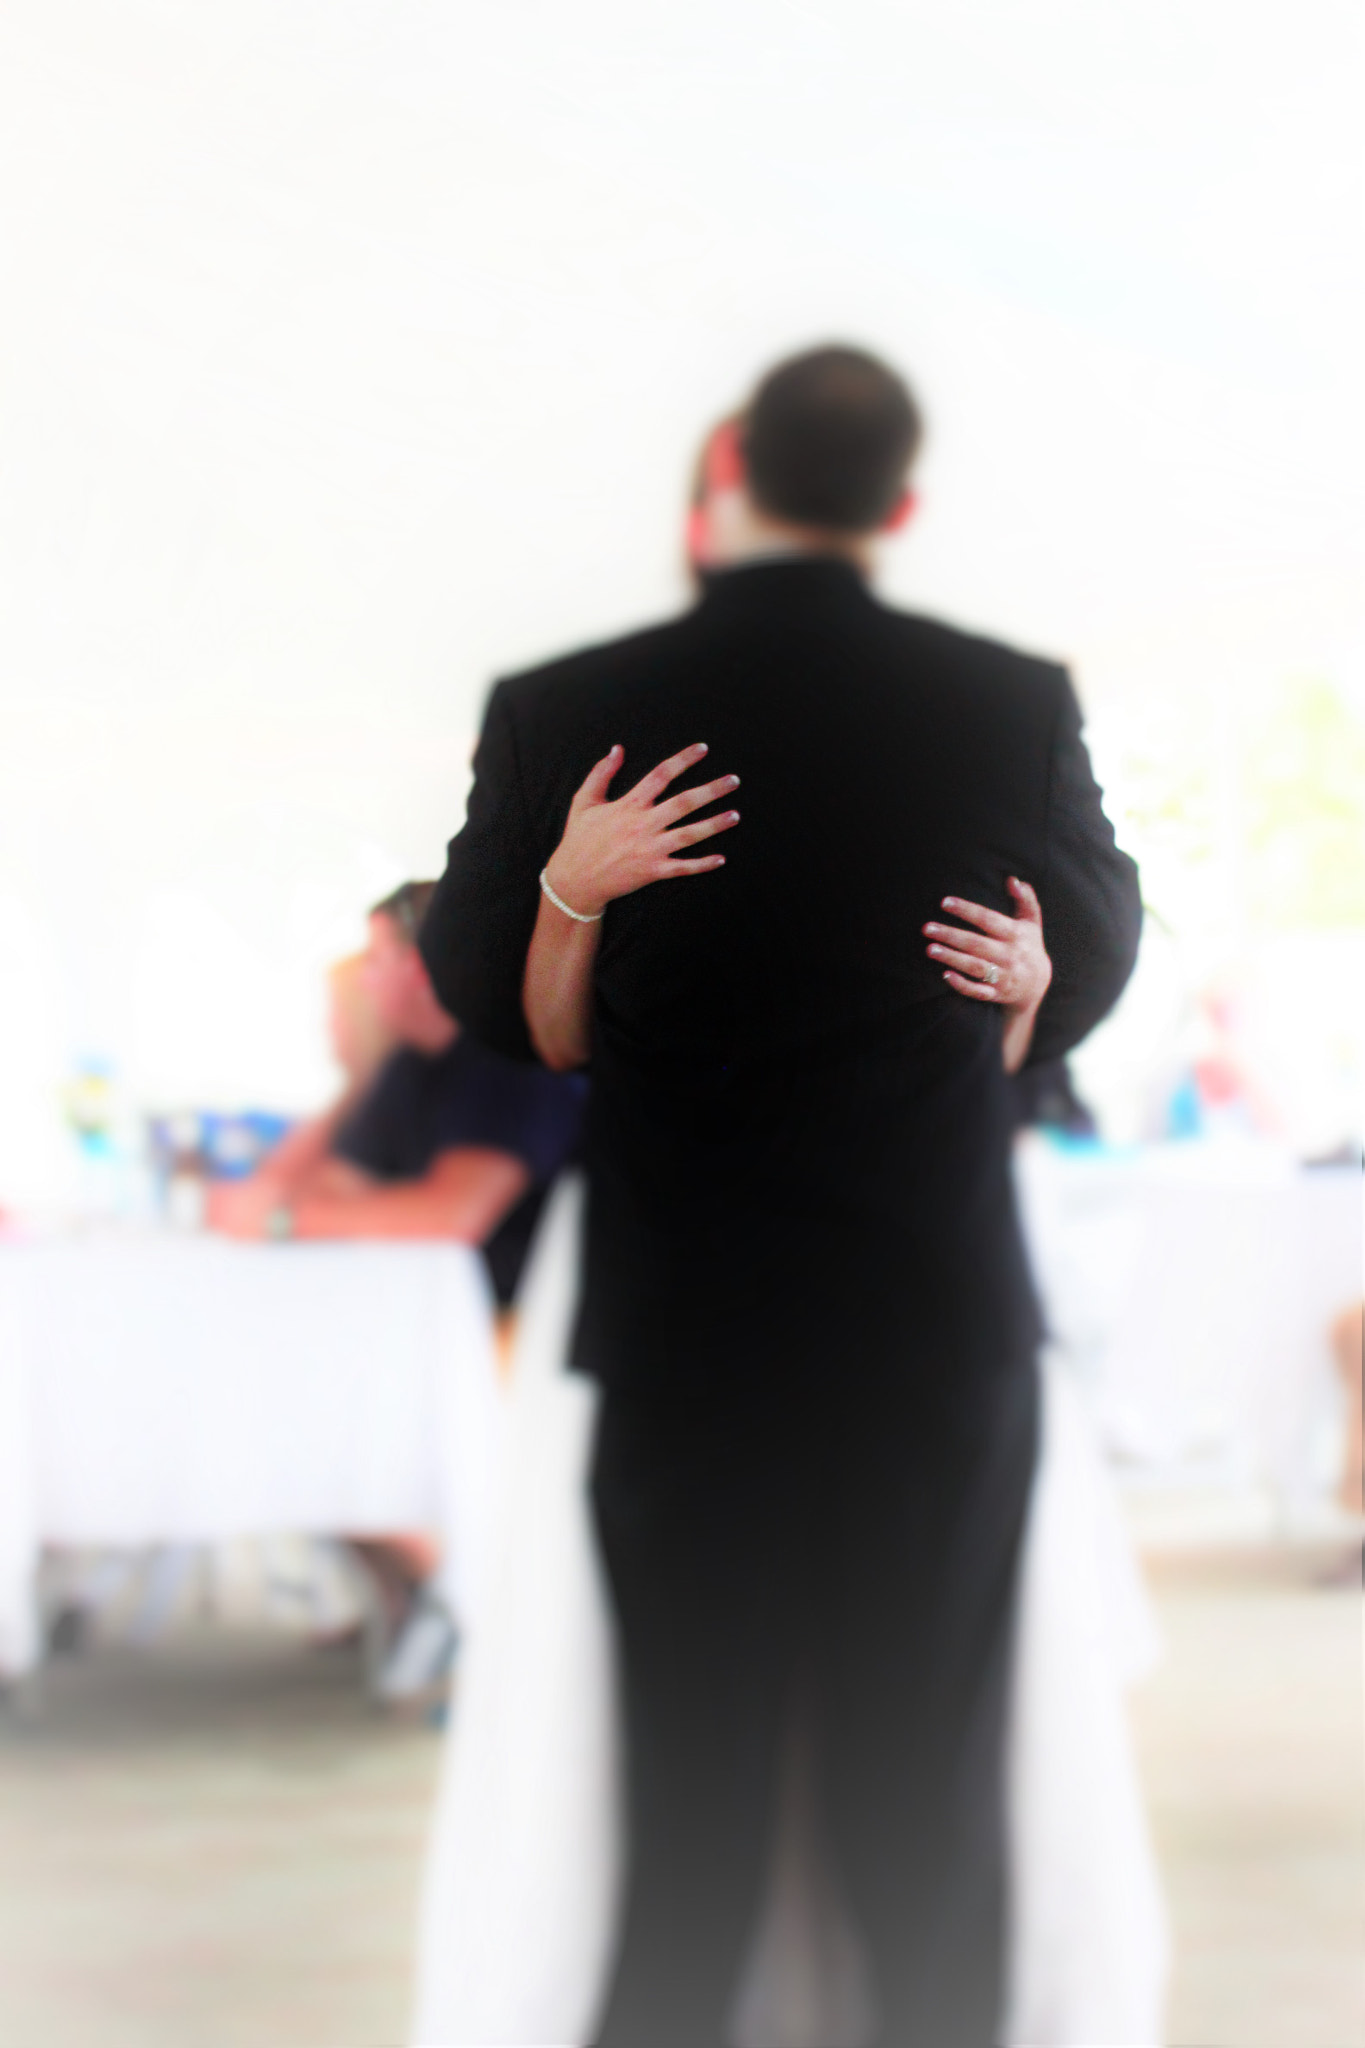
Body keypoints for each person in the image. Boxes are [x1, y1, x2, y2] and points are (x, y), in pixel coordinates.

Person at [420, 346, 1141, 2046]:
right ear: (901, 506)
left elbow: (482, 996)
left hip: (689, 1333)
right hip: (931, 1328)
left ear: (731, 471)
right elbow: (1087, 958)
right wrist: (1037, 979)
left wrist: (564, 895)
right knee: (929, 1805)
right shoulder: (1011, 699)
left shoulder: (560, 695)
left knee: (691, 1802)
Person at [209, 881, 584, 1690]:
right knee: (259, 1392)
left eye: (376, 960)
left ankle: (461, 1592)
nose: (364, 983)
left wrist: (287, 1221)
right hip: (411, 1329)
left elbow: (450, 1214)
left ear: (423, 967)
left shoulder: (504, 1060)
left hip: (514, 1335)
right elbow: (315, 1190)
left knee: (289, 1406)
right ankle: (424, 1591)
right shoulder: (413, 1071)